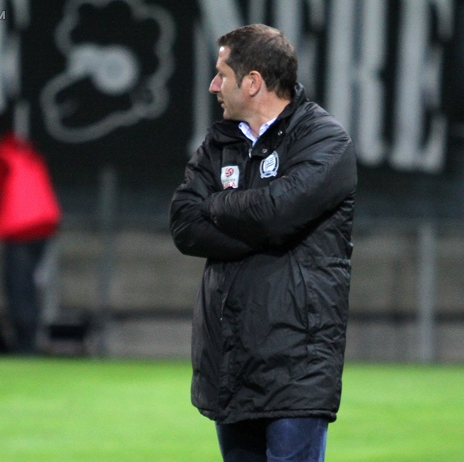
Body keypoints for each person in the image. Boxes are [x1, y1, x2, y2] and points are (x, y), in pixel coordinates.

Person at [169, 24, 357, 462]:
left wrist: (217, 204)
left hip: (296, 363)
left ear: (252, 82)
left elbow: (277, 214)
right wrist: (261, 231)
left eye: (222, 75)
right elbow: (183, 224)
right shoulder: (219, 143)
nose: (214, 85)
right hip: (230, 360)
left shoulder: (324, 140)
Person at [0, 109, 61, 355]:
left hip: (21, 228)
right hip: (44, 225)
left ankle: (25, 346)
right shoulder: (27, 150)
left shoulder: (2, 154)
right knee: (30, 287)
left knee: (18, 288)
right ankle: (30, 340)